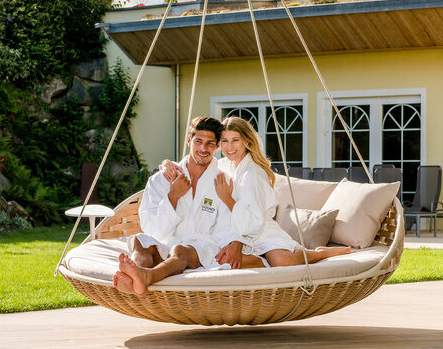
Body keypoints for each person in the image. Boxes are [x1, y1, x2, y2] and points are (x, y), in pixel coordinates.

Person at [165, 116, 350, 267]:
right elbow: (196, 162)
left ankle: (318, 253)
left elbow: (254, 223)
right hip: (235, 232)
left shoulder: (253, 174)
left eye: (235, 140)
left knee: (282, 261)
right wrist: (168, 165)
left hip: (260, 231)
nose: (230, 147)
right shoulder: (224, 165)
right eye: (225, 141)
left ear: (247, 141)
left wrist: (227, 198)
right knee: (218, 258)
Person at [113, 116, 243, 295]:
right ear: (189, 140)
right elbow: (152, 229)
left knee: (180, 250)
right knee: (140, 241)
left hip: (201, 249)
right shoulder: (160, 180)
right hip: (166, 244)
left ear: (217, 146)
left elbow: (227, 225)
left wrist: (234, 243)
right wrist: (172, 196)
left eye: (210, 143)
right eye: (198, 141)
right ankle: (135, 277)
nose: (203, 149)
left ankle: (146, 277)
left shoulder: (223, 182)